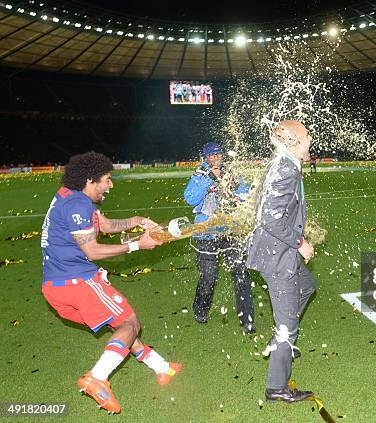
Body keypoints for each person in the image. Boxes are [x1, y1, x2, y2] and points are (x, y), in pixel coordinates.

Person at [40, 152, 181, 414]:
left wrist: (138, 221)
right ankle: (97, 376)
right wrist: (138, 244)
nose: (110, 185)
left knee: (120, 326)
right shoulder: (78, 204)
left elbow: (103, 224)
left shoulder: (69, 196)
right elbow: (91, 251)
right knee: (130, 323)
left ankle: (162, 368)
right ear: (91, 180)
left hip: (55, 288)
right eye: (107, 179)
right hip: (77, 283)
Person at [246, 120, 316, 403]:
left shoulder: (284, 162)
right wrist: (301, 243)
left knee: (308, 284)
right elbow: (270, 218)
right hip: (278, 256)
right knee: (288, 326)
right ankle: (277, 386)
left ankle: (280, 336)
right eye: (307, 134)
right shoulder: (287, 169)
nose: (311, 139)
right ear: (295, 141)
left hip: (276, 251)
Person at [183, 142, 255, 334]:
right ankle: (201, 309)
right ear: (205, 158)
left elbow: (246, 196)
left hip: (230, 230)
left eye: (218, 155)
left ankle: (247, 318)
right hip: (205, 233)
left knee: (240, 273)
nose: (215, 159)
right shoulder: (200, 175)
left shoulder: (231, 173)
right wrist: (208, 180)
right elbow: (190, 198)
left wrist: (237, 191)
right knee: (209, 276)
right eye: (211, 156)